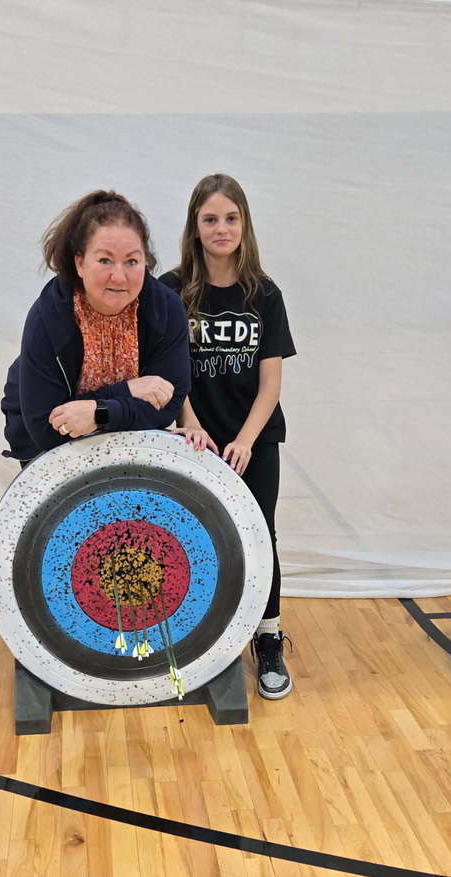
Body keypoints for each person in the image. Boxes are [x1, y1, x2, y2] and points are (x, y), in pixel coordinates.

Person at [159, 174, 296, 699]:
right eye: (211, 219)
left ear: (245, 224)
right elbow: (168, 369)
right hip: (194, 439)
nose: (222, 228)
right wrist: (189, 423)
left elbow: (272, 381)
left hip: (253, 440)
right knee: (193, 537)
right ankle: (198, 638)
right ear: (195, 227)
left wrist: (245, 439)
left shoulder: (265, 293)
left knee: (261, 537)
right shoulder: (171, 291)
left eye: (231, 218)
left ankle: (267, 638)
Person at [2, 190, 190, 465]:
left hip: (129, 440)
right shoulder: (47, 316)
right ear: (80, 263)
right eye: (104, 260)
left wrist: (97, 412)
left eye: (132, 261)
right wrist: (128, 391)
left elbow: (167, 407)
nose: (119, 275)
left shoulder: (167, 309)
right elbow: (47, 429)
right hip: (49, 449)